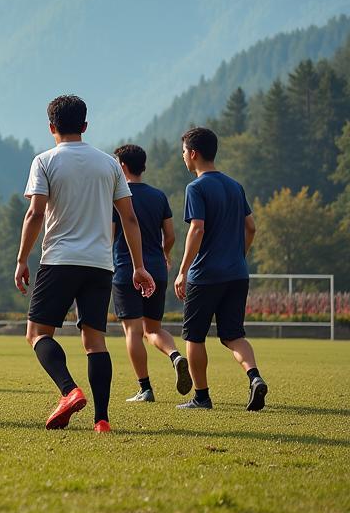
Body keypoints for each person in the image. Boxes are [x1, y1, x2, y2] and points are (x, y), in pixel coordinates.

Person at [15, 96, 153, 433]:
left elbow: (35, 213)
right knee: (95, 342)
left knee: (37, 333)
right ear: (85, 126)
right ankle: (102, 420)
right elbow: (130, 219)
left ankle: (69, 390)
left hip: (60, 260)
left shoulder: (44, 161)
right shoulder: (109, 164)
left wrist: (21, 259)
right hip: (100, 265)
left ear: (51, 127)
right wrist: (138, 266)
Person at [174, 126, 267, 411]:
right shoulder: (235, 186)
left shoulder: (196, 188)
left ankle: (202, 397)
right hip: (238, 273)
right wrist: (239, 255)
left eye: (183, 153)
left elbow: (197, 229)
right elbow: (250, 227)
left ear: (193, 153)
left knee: (194, 336)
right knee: (233, 335)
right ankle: (254, 377)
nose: (183, 159)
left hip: (206, 275)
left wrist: (183, 270)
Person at [112, 144, 191, 402]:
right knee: (153, 328)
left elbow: (111, 234)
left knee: (133, 331)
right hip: (157, 270)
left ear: (122, 166)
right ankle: (175, 355)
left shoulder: (117, 197)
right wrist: (163, 255)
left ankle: (145, 388)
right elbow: (170, 236)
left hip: (128, 270)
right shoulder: (159, 196)